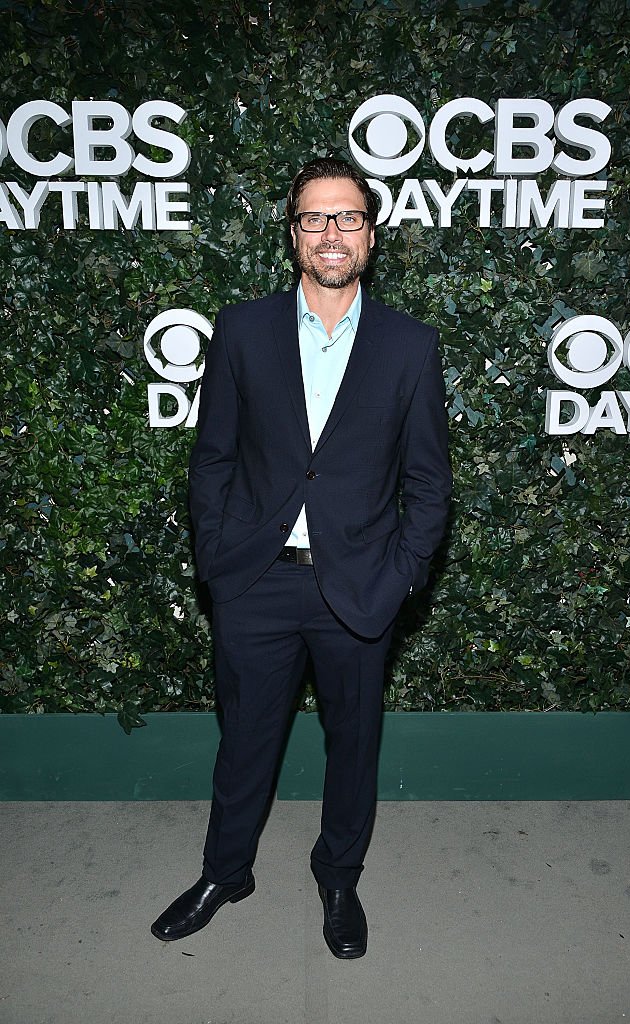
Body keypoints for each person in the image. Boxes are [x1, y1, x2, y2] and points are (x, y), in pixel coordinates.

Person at [151, 157, 452, 958]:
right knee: (245, 738)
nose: (330, 233)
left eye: (346, 217)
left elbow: (428, 484)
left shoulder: (409, 345)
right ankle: (226, 870)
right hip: (253, 581)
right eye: (314, 218)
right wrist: (217, 557)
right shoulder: (242, 329)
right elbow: (211, 459)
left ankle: (339, 875)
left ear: (370, 234)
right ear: (292, 234)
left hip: (359, 586)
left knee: (354, 744)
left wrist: (399, 578)